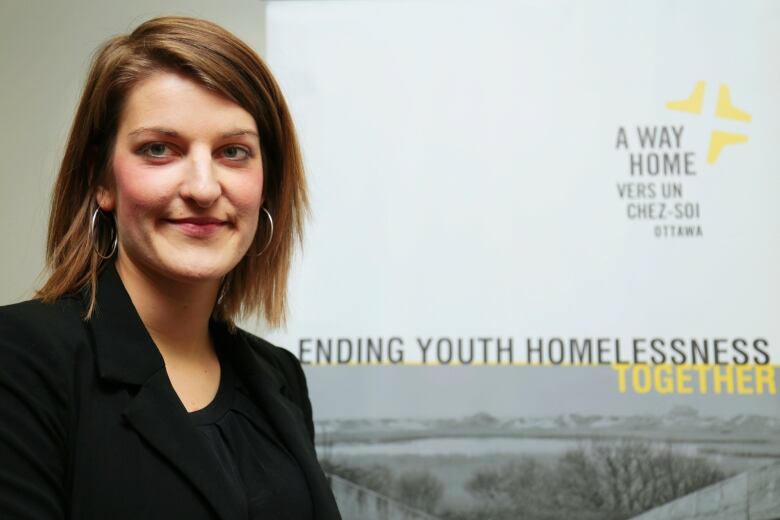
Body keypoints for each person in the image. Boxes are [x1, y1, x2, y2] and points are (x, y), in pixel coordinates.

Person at [0, 16, 341, 520]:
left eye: (233, 152)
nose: (203, 188)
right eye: (159, 149)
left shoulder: (280, 377)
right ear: (102, 179)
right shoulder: (20, 358)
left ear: (266, 183)